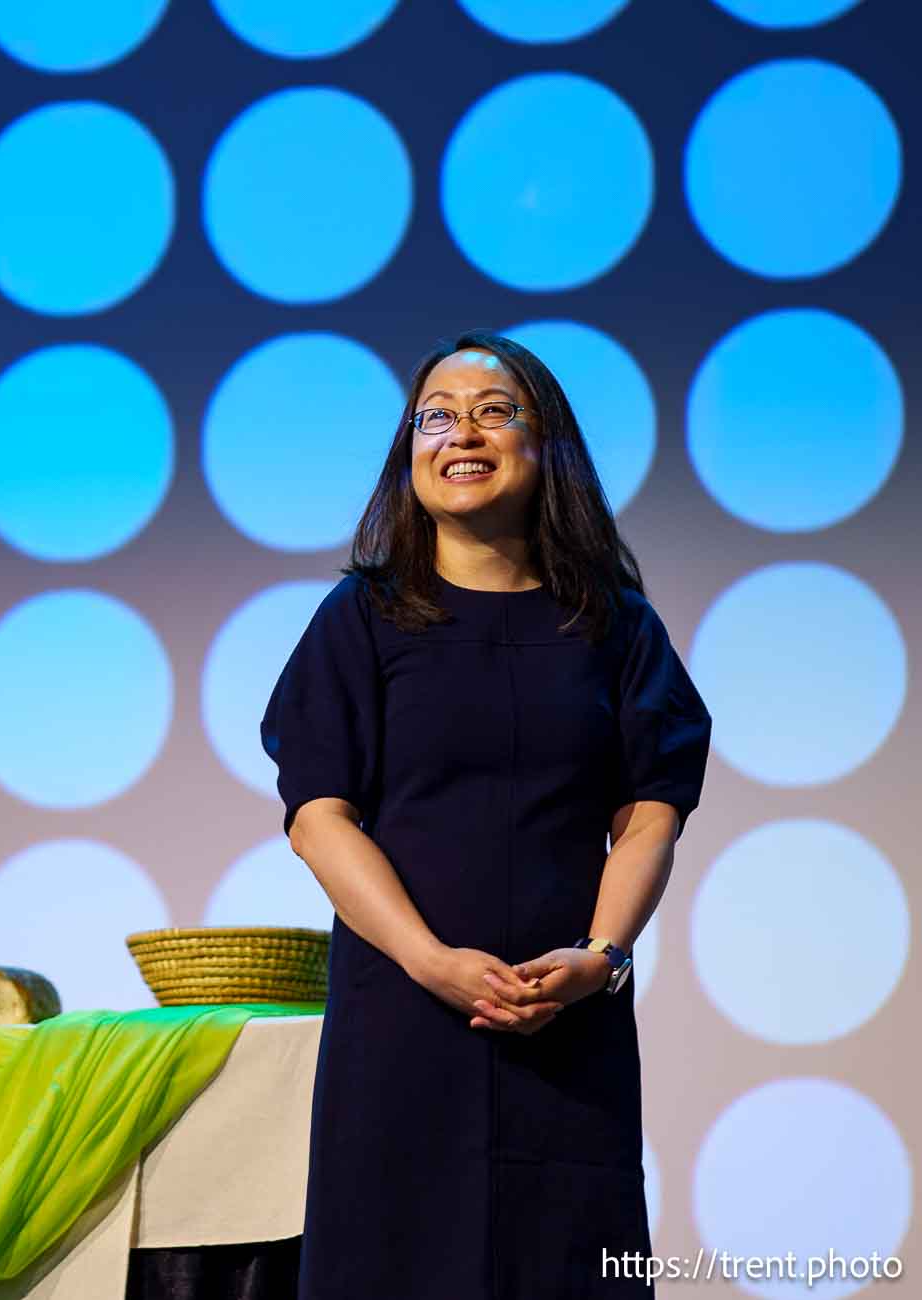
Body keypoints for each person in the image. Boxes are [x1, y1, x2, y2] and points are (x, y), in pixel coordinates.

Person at [261, 329, 712, 1299]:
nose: (462, 430)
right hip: (403, 1021)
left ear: (547, 445)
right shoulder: (364, 616)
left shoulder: (614, 624)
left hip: (567, 1020)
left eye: (494, 410)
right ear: (409, 453)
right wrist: (430, 960)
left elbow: (650, 812)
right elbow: (319, 816)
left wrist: (603, 956)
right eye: (437, 414)